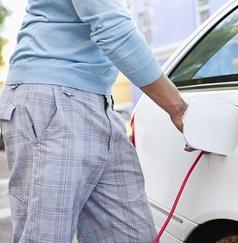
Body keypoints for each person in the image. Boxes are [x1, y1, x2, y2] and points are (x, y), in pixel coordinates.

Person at [0, 0, 188, 242]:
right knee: (46, 236)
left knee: (132, 234)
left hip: (99, 100)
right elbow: (113, 28)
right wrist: (177, 107)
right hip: (53, 97)